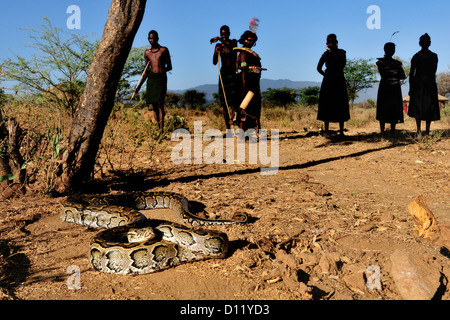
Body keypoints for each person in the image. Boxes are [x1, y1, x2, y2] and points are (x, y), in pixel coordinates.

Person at [134, 30, 172, 131]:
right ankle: (157, 128)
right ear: (148, 39)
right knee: (154, 105)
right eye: (150, 38)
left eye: (154, 38)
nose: (152, 40)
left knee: (160, 104)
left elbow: (170, 67)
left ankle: (161, 130)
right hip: (151, 79)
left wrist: (161, 70)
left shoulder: (163, 50)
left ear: (158, 39)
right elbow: (145, 71)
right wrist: (138, 87)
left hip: (160, 78)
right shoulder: (147, 53)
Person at [316, 34, 350, 137]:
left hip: (339, 80)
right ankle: (326, 131)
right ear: (327, 43)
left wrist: (331, 53)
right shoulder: (325, 54)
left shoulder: (342, 53)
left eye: (333, 42)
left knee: (340, 104)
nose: (331, 44)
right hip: (328, 82)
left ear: (336, 42)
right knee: (327, 105)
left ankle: (341, 131)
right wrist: (326, 75)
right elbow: (318, 68)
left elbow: (342, 65)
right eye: (329, 42)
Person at [407, 33, 440, 136]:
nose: (425, 43)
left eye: (427, 41)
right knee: (419, 107)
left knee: (427, 107)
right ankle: (420, 131)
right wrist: (411, 87)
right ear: (420, 43)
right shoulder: (419, 57)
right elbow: (411, 74)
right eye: (424, 41)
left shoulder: (429, 56)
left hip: (425, 85)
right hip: (421, 85)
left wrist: (411, 87)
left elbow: (412, 74)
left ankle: (424, 131)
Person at [375, 42, 406, 138]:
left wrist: (392, 72)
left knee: (394, 108)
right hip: (385, 87)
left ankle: (392, 132)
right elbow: (383, 74)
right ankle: (382, 132)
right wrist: (395, 72)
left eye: (392, 49)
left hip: (395, 87)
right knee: (383, 108)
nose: (391, 51)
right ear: (385, 50)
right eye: (389, 49)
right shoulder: (380, 62)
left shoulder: (397, 63)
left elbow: (403, 75)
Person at [211, 25, 238, 130]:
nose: (224, 36)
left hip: (233, 73)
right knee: (224, 102)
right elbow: (214, 62)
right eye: (222, 34)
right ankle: (228, 129)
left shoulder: (234, 42)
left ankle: (236, 120)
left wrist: (219, 39)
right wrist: (216, 51)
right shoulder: (219, 45)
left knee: (234, 101)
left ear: (229, 34)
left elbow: (231, 47)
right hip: (223, 74)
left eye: (225, 34)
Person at [234, 30, 262, 132]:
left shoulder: (252, 54)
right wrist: (244, 86)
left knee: (252, 109)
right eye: (249, 40)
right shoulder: (243, 53)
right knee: (244, 109)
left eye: (252, 41)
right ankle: (242, 133)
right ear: (244, 40)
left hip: (254, 84)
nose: (250, 42)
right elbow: (244, 69)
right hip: (245, 84)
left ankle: (249, 132)